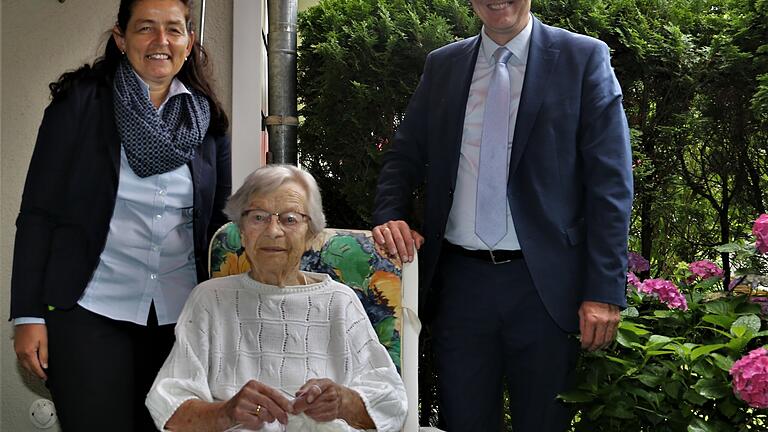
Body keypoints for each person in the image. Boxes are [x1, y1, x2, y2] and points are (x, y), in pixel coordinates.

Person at [372, 1, 633, 431]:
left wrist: (603, 289)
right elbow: (404, 155)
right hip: (460, 288)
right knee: (464, 421)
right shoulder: (444, 65)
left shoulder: (583, 57)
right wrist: (390, 214)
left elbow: (611, 184)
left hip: (545, 288)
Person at [10, 0, 231, 430]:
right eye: (145, 28)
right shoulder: (81, 104)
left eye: (173, 30)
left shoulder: (208, 121)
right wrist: (28, 315)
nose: (160, 41)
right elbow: (38, 213)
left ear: (189, 41)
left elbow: (217, 226)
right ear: (121, 38)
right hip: (88, 311)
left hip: (178, 321)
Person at [146, 164, 407, 432]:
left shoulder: (340, 302)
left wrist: (342, 402)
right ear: (242, 231)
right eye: (258, 217)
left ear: (310, 235)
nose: (273, 230)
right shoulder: (210, 300)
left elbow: (391, 403)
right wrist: (227, 412)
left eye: (290, 219)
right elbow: (169, 406)